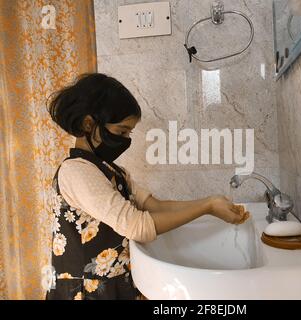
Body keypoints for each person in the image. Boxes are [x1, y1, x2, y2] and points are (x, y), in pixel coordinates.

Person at [44, 72, 247, 300]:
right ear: (89, 124)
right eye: (121, 132)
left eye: (129, 133)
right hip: (87, 291)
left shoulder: (112, 171)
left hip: (115, 283)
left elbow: (155, 206)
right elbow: (137, 226)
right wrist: (206, 207)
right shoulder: (77, 172)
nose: (126, 140)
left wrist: (211, 202)